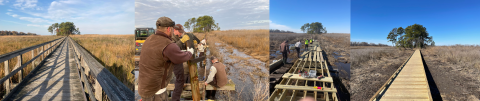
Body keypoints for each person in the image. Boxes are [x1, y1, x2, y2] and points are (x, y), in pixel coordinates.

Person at [138, 17, 194, 101]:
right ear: (169, 28)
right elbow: (181, 57)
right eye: (172, 29)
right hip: (156, 92)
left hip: (144, 88)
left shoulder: (148, 39)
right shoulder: (167, 44)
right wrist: (190, 52)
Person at [170, 24, 190, 101]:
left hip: (179, 62)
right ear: (174, 30)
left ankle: (183, 96)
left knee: (182, 80)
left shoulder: (177, 37)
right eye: (179, 32)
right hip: (175, 63)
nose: (181, 33)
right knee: (179, 81)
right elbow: (173, 48)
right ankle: (177, 98)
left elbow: (180, 47)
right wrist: (181, 41)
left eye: (181, 32)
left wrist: (187, 43)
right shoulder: (171, 38)